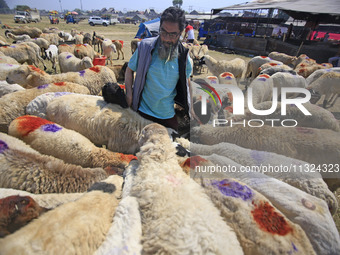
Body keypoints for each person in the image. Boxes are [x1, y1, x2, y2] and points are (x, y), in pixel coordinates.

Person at [124, 6, 198, 132]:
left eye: (173, 34)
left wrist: (191, 106)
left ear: (180, 33)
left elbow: (187, 82)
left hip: (167, 115)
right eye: (163, 32)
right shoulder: (145, 48)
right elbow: (129, 70)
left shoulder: (184, 57)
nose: (166, 38)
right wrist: (129, 94)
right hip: (143, 113)